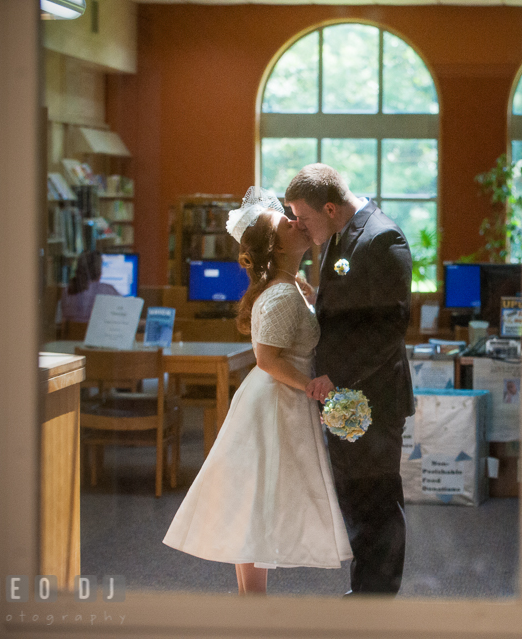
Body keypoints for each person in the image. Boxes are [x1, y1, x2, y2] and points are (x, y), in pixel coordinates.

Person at [163, 187, 351, 595]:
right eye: (285, 221)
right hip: (275, 399)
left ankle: (253, 603)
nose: (295, 220)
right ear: (275, 245)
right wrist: (312, 385)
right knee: (257, 501)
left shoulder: (291, 286)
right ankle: (254, 604)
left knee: (260, 501)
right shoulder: (282, 292)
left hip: (275, 398)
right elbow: (266, 359)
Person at [286, 164, 415, 596]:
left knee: (377, 499)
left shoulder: (383, 238)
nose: (299, 226)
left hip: (374, 397)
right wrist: (315, 299)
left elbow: (387, 330)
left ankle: (377, 599)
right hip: (343, 396)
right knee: (356, 500)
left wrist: (333, 378)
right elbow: (351, 308)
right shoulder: (338, 234)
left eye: (303, 218)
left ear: (329, 206)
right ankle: (364, 591)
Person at [59, 251, 120, 323]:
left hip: (74, 334)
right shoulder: (108, 291)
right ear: (99, 271)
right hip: (98, 334)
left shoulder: (67, 292)